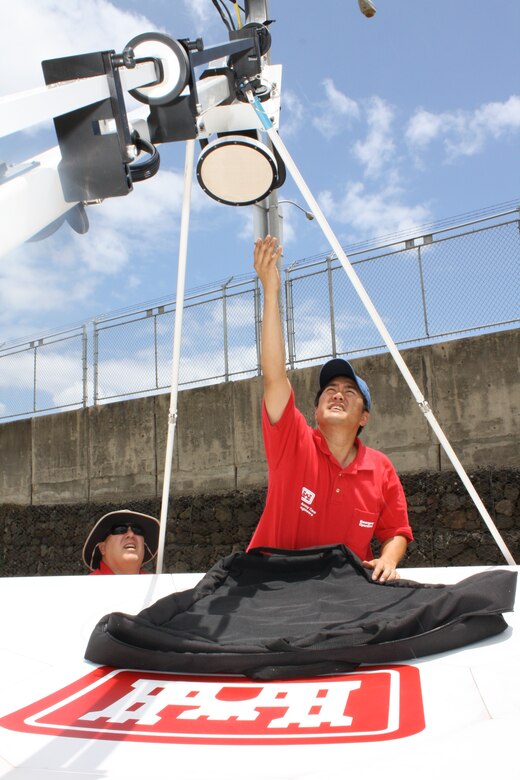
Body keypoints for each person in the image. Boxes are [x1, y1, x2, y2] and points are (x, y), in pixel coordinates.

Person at [247, 235, 413, 582]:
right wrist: (271, 291)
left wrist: (389, 558)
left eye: (350, 391)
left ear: (364, 416)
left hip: (344, 591)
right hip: (273, 583)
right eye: (330, 390)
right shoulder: (293, 441)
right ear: (316, 411)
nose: (338, 394)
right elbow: (275, 376)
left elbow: (396, 529)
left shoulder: (380, 469)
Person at [82, 509, 160, 575]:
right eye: (120, 529)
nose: (131, 534)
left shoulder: (160, 588)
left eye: (137, 530)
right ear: (103, 548)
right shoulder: (84, 589)